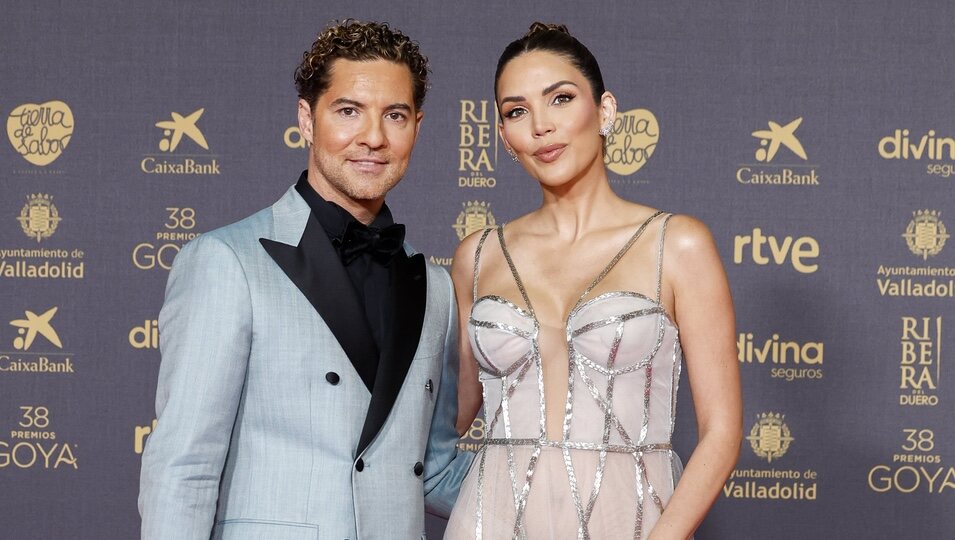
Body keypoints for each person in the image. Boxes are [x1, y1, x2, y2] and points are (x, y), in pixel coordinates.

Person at [139, 20, 471, 540]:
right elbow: (184, 468)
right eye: (348, 111)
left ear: (417, 127)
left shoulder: (436, 289)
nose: (374, 137)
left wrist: (576, 480)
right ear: (306, 120)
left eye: (395, 115)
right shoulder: (226, 262)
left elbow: (436, 471)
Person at [446, 23, 742, 540]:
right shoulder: (477, 255)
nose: (541, 126)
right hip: (489, 523)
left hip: (631, 523)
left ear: (605, 111)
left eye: (560, 99)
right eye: (517, 111)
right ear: (503, 134)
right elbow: (452, 413)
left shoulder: (677, 244)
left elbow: (721, 432)